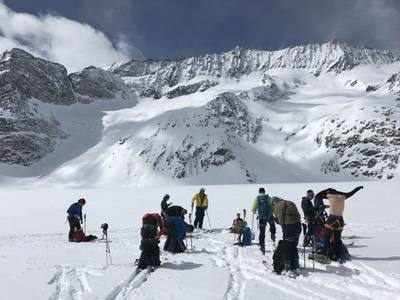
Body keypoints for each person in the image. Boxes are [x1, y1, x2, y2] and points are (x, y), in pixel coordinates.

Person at [317, 186, 363, 263]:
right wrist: (357, 188)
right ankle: (338, 254)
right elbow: (350, 193)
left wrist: (328, 190)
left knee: (326, 237)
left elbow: (318, 195)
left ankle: (325, 254)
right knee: (337, 239)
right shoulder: (343, 196)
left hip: (331, 219)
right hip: (340, 220)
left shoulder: (330, 196)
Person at [270, 196, 302, 274]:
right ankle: (295, 265)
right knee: (293, 245)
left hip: (289, 228)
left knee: (287, 246)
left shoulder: (277, 206)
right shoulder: (291, 202)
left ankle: (287, 268)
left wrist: (276, 220)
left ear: (274, 202)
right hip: (298, 226)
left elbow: (281, 221)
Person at [252, 187, 276, 254]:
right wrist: (273, 213)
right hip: (269, 216)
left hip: (262, 217)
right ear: (264, 192)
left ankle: (262, 247)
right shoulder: (268, 198)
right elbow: (272, 206)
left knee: (262, 232)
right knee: (272, 226)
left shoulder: (257, 198)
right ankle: (273, 236)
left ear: (259, 192)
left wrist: (254, 211)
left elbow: (253, 207)